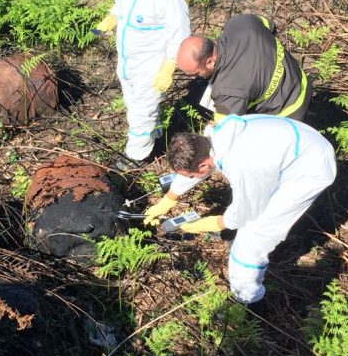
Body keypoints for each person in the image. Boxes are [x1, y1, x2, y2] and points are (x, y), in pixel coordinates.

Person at [143, 114, 336, 305]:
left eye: (192, 175)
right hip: (299, 145)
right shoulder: (215, 138)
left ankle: (248, 300)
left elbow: (247, 210)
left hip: (310, 169)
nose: (193, 178)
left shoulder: (243, 163)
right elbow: (196, 168)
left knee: (252, 237)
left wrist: (215, 223)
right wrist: (170, 198)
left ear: (203, 164)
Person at [92, 0, 190, 169]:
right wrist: (110, 20)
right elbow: (120, 6)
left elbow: (179, 33)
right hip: (128, 62)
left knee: (141, 112)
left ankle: (135, 158)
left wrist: (169, 66)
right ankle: (154, 139)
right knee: (132, 103)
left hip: (152, 64)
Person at [176, 14, 311, 121]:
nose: (194, 78)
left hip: (289, 110)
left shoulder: (227, 91)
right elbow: (270, 26)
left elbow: (225, 130)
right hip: (301, 79)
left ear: (210, 61)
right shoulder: (240, 23)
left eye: (195, 73)